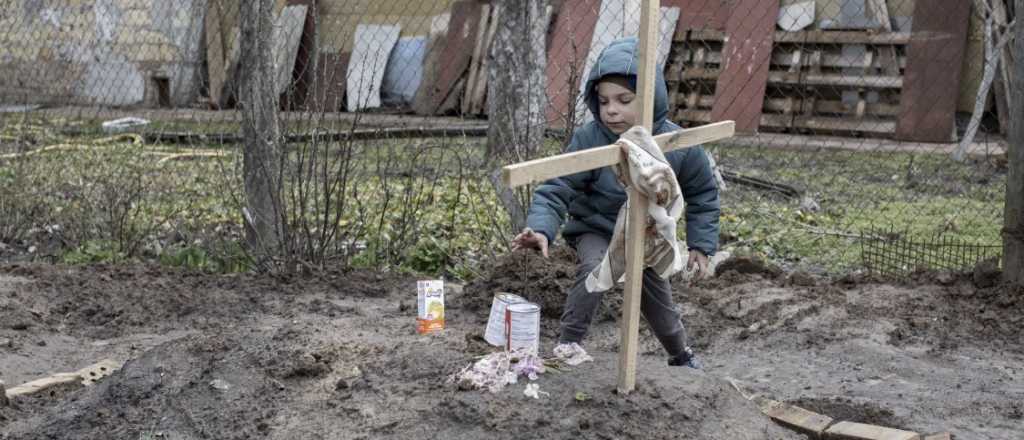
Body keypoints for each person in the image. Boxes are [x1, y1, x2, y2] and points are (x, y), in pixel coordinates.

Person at [511, 37, 720, 369]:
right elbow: (558, 185)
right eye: (604, 100)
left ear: (651, 98)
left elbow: (703, 194)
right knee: (596, 268)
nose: (611, 109)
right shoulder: (591, 139)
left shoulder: (677, 144)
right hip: (597, 228)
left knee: (657, 298)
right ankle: (568, 345)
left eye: (624, 100)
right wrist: (541, 228)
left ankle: (680, 355)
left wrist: (702, 243)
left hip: (647, 232)